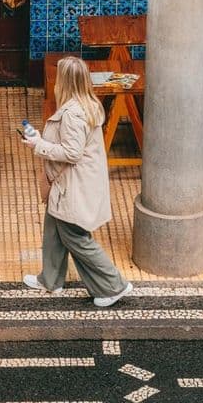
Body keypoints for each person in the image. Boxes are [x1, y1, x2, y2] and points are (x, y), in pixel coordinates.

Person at [22, 56, 133, 307]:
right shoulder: (89, 104)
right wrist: (41, 139)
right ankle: (50, 280)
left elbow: (72, 153)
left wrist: (39, 145)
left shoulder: (73, 114)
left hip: (72, 186)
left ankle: (113, 285)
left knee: (74, 236)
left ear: (65, 81)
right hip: (72, 184)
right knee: (53, 227)